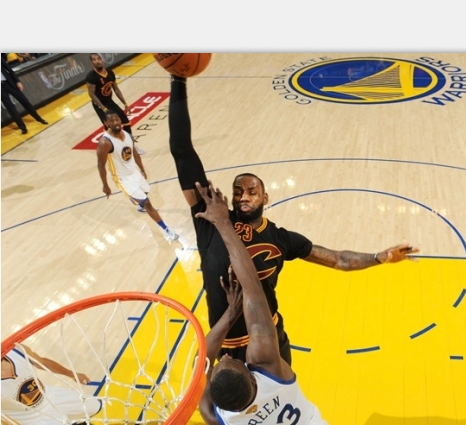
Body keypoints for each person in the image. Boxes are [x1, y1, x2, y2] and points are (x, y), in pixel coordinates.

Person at [168, 75, 419, 363]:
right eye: (238, 192)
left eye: (252, 192)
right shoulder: (211, 219)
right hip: (227, 345)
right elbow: (182, 150)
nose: (244, 196)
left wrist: (379, 257)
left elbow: (338, 259)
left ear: (265, 198)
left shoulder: (280, 238)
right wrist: (178, 81)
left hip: (270, 341)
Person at [196, 181, 342, 425]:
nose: (228, 357)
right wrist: (224, 224)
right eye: (231, 360)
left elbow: (199, 364)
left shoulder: (221, 423)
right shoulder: (276, 373)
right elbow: (252, 291)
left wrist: (226, 316)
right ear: (252, 375)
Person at [1, 345, 103, 425]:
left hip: (51, 396)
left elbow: (42, 362)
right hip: (34, 420)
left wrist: (72, 374)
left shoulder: (16, 350)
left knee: (96, 406)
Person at [97, 111, 179, 243]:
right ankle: (166, 229)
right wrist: (105, 185)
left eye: (117, 119)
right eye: (111, 121)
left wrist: (142, 169)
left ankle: (140, 205)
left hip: (134, 172)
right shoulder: (105, 142)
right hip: (122, 178)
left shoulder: (128, 135)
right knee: (147, 203)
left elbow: (135, 154)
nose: (115, 122)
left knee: (145, 192)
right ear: (106, 123)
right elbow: (101, 165)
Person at [86, 53, 132, 136]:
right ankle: (111, 143)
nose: (97, 61)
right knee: (109, 127)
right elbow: (91, 94)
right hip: (99, 105)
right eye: (94, 60)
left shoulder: (110, 73)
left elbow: (116, 89)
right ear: (91, 63)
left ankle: (129, 140)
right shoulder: (91, 76)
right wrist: (103, 108)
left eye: (99, 59)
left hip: (109, 101)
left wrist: (125, 104)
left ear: (102, 60)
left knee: (125, 121)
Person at [1, 53, 48, 134]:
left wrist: (17, 81)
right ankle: (22, 128)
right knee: (11, 108)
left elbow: (9, 69)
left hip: (9, 83)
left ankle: (38, 118)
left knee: (24, 101)